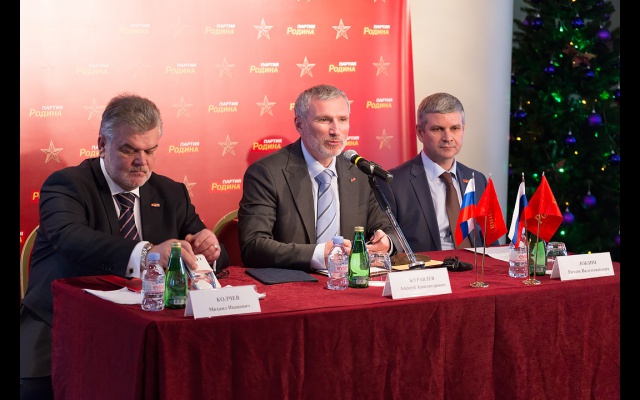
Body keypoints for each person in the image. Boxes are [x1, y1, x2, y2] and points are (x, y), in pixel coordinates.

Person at [19, 93, 230, 400]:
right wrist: (146, 254)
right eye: (129, 149)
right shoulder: (67, 185)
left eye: (150, 150)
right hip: (63, 323)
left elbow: (209, 251)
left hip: (147, 327)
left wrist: (210, 249)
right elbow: (70, 238)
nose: (141, 161)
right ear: (102, 145)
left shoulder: (171, 192)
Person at [238, 84, 399, 271]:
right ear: (300, 125)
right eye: (324, 120)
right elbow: (253, 245)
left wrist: (387, 242)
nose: (336, 130)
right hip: (294, 282)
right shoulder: (267, 173)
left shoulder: (359, 172)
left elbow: (390, 230)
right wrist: (319, 254)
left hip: (349, 281)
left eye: (343, 119)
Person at [379, 92, 495, 252]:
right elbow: (389, 244)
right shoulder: (393, 183)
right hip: (428, 267)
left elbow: (491, 241)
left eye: (455, 128)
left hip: (476, 266)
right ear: (420, 132)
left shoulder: (478, 179)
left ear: (463, 129)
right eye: (438, 129)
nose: (448, 137)